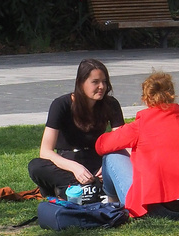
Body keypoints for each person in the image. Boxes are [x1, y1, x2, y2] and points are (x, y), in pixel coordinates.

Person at [96, 71, 179, 219]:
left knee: (111, 157)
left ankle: (112, 203)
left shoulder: (142, 124)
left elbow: (102, 145)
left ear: (146, 98)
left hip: (159, 208)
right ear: (172, 94)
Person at [28, 58, 124, 198]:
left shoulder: (111, 104)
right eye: (95, 82)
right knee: (36, 166)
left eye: (104, 82)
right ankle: (83, 188)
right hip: (67, 162)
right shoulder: (61, 105)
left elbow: (121, 142)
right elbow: (45, 151)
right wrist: (74, 168)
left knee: (125, 161)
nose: (101, 87)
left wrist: (109, 167)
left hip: (96, 162)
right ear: (80, 83)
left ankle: (77, 190)